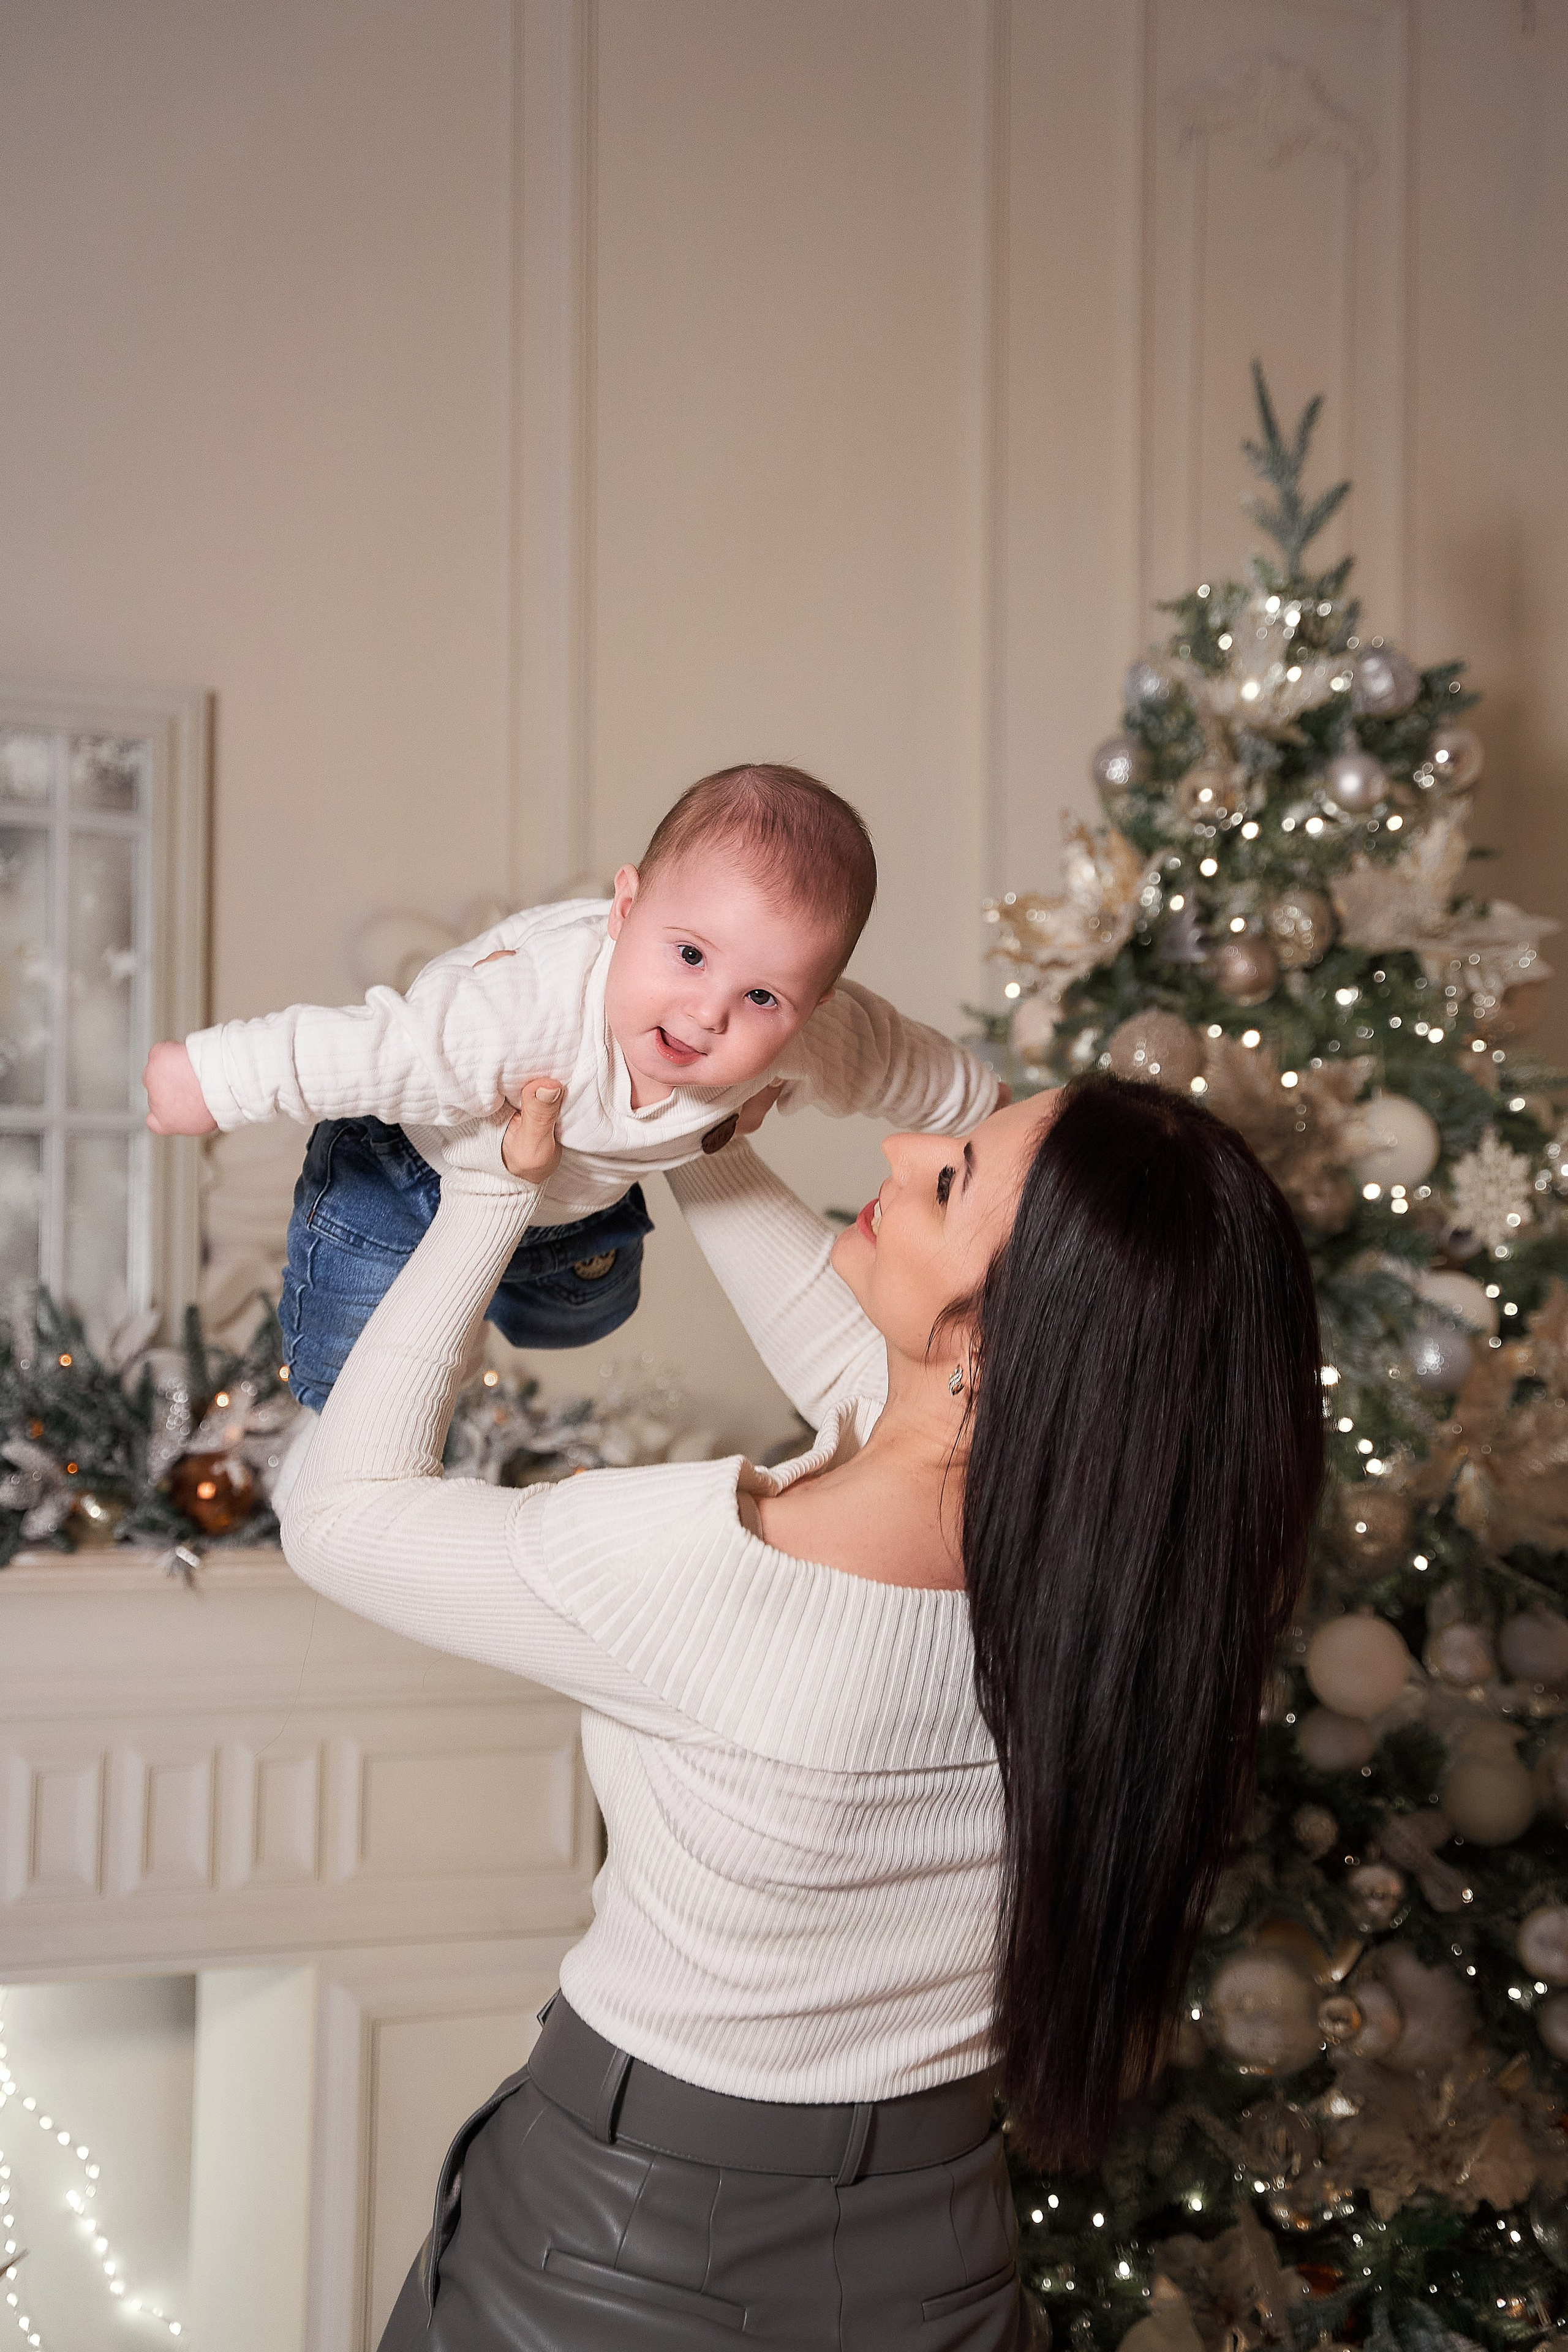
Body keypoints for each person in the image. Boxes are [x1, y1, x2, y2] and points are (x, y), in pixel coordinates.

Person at [280, 1068, 1324, 2350]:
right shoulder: (1132, 1585)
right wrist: (684, 1127)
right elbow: (875, 1369)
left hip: (615, 2239)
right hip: (932, 2240)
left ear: (1003, 1345)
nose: (897, 1144)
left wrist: (493, 1191)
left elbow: (338, 1519)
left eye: (947, 1179)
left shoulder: (706, 1571)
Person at [140, 763, 998, 1408]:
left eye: (763, 998)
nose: (708, 1013)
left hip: (576, 1193)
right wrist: (211, 1078)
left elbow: (902, 1063)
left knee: (586, 1318)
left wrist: (995, 1116)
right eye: (690, 954)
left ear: (809, 1009)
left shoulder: (809, 1036)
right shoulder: (518, 1013)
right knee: (349, 1380)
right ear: (625, 909)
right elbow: (370, 1047)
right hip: (404, 1165)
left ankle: (508, 1291)